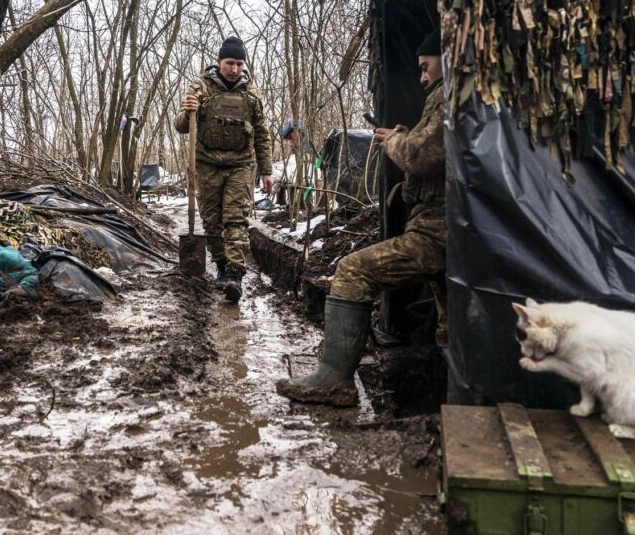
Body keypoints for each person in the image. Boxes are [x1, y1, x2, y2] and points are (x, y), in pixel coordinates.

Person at [276, 29, 446, 406]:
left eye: (425, 67)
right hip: (448, 230)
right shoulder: (452, 97)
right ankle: (450, 403)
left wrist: (395, 143)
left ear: (445, 58)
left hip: (437, 231)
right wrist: (403, 135)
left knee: (353, 269)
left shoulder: (448, 97)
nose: (421, 76)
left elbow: (421, 156)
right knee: (450, 331)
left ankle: (335, 379)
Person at [175, 37, 273, 302]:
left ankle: (235, 274)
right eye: (230, 63)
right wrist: (187, 111)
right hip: (206, 166)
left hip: (240, 165)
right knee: (212, 220)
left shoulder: (251, 94)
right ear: (219, 62)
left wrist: (266, 171)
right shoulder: (201, 87)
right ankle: (220, 264)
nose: (235, 69)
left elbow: (262, 134)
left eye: (240, 63)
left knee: (235, 218)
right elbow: (181, 126)